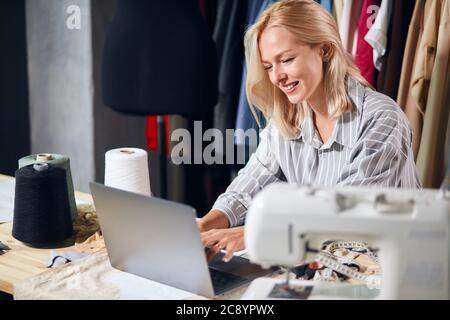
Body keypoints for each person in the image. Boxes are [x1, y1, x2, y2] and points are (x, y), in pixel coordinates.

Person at [199, 0, 421, 262]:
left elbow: (347, 213)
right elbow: (252, 182)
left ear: (325, 50)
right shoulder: (287, 118)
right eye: (269, 66)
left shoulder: (382, 119)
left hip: (392, 273)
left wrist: (251, 233)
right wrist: (206, 225)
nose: (276, 77)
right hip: (326, 266)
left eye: (287, 60)